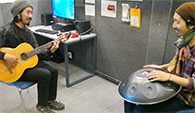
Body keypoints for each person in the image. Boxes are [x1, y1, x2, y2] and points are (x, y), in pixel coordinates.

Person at [124, 2, 195, 113]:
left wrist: (168, 77)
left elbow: (193, 82)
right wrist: (162, 67)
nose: (173, 25)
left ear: (191, 25)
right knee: (129, 100)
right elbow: (181, 64)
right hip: (176, 87)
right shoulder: (183, 41)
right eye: (174, 21)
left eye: (177, 22)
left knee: (139, 111)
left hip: (186, 98)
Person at [0, 0, 65, 113]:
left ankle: (50, 100)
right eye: (28, 12)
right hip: (12, 70)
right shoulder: (5, 31)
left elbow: (38, 54)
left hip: (26, 65)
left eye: (31, 13)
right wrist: (5, 56)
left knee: (53, 71)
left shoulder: (29, 33)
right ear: (18, 14)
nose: (30, 16)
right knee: (44, 74)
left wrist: (51, 51)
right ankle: (42, 105)